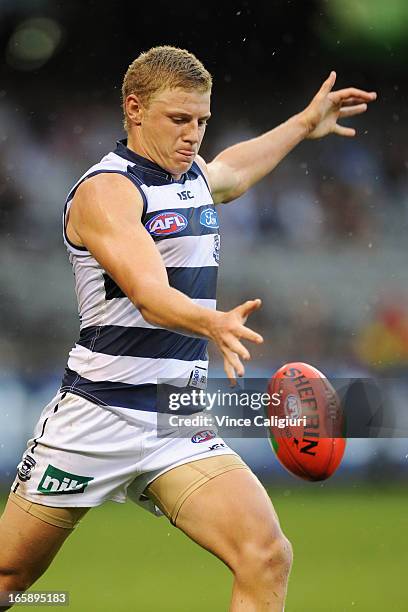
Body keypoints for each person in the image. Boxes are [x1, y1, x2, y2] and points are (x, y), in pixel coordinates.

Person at [0, 46, 376, 611]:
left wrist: (302, 124)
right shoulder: (107, 191)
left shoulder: (192, 176)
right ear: (134, 109)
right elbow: (150, 296)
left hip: (176, 417)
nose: (193, 134)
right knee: (9, 580)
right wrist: (212, 320)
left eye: (202, 120)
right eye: (178, 119)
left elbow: (230, 172)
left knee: (266, 553)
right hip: (99, 415)